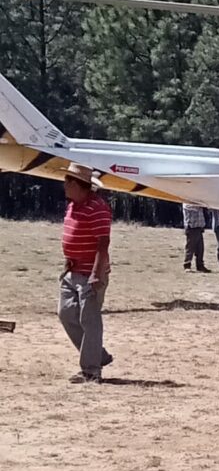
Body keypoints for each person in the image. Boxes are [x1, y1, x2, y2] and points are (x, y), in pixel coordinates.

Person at [58, 164, 113, 384]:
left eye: (66, 183)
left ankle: (91, 370)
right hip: (72, 270)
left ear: (76, 185)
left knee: (89, 320)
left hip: (90, 272)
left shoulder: (97, 208)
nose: (64, 187)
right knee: (65, 313)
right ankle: (97, 354)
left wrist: (97, 273)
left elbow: (103, 243)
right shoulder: (73, 206)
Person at [182, 200, 209, 271]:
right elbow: (194, 208)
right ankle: (187, 265)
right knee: (190, 248)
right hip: (191, 227)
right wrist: (202, 204)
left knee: (200, 249)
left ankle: (200, 265)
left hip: (199, 227)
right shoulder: (186, 203)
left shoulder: (198, 203)